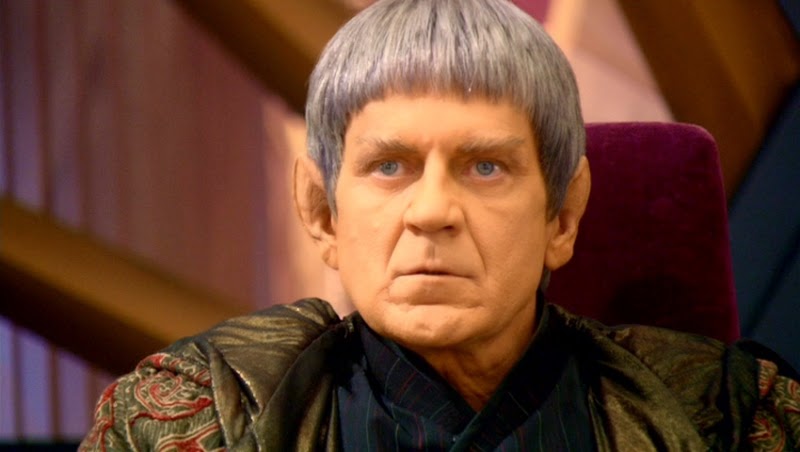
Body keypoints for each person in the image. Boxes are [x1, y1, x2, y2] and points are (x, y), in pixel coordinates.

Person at [81, 0, 800, 450]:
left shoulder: (731, 418)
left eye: (485, 167)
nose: (431, 211)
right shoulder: (198, 419)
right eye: (389, 166)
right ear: (322, 212)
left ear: (563, 213)